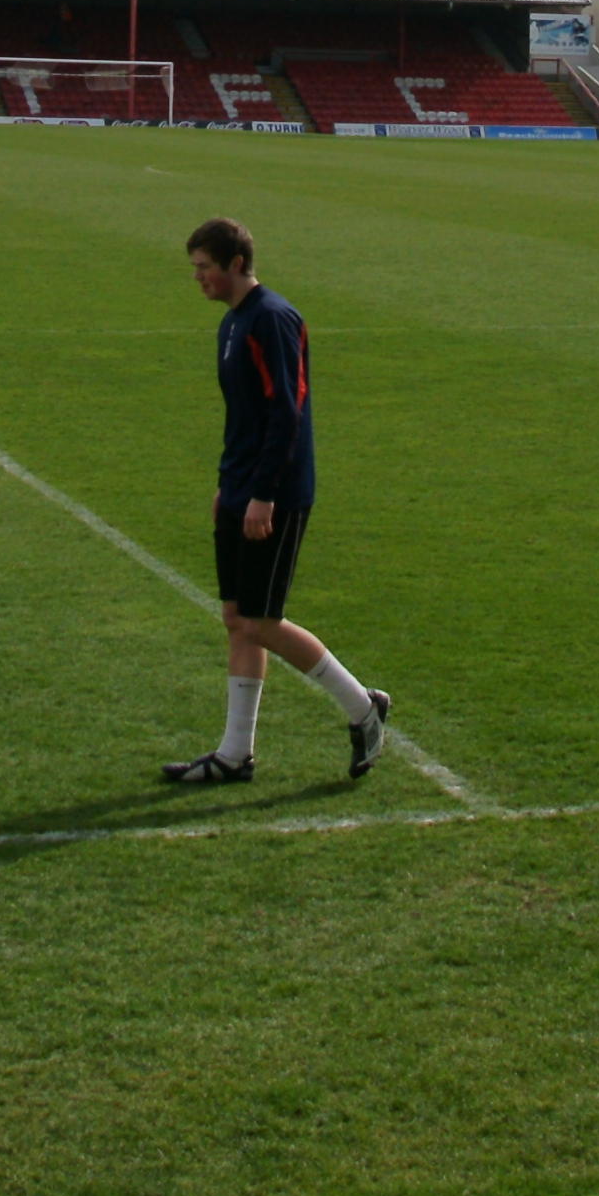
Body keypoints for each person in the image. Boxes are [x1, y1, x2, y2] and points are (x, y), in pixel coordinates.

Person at [162, 216, 391, 786]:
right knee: (238, 618)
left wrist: (262, 493)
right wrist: (229, 486)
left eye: (205, 268)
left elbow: (286, 412)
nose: (199, 279)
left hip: (276, 494)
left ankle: (364, 708)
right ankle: (235, 754)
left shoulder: (273, 320)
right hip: (242, 489)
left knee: (263, 621)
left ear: (236, 264)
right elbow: (243, 418)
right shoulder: (233, 323)